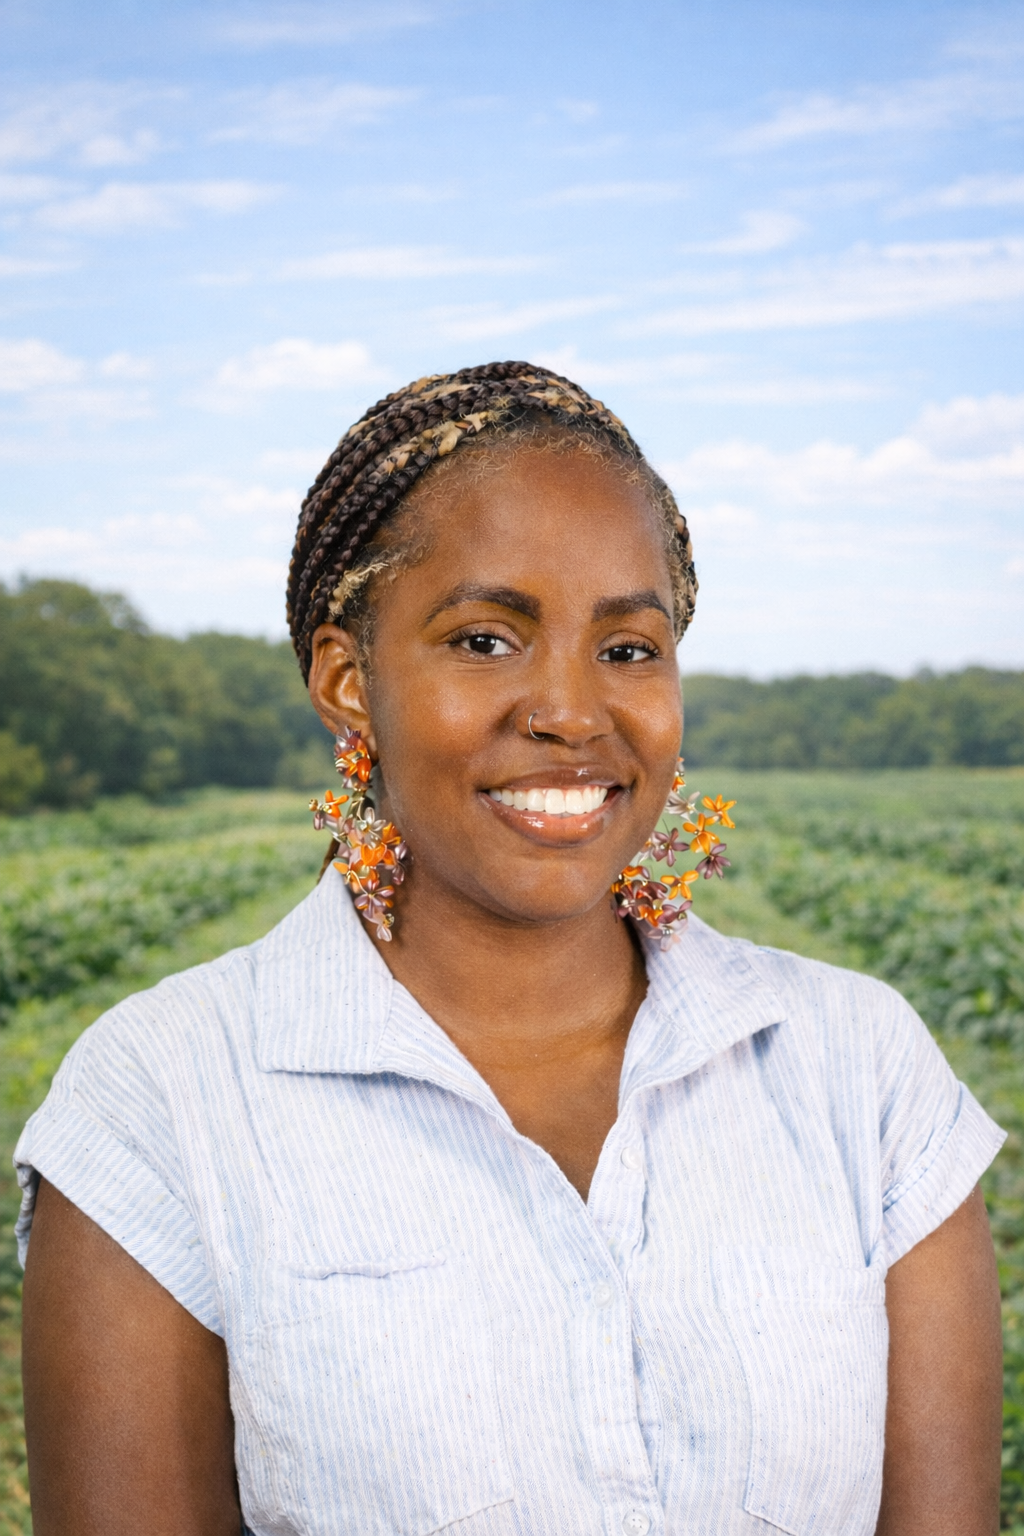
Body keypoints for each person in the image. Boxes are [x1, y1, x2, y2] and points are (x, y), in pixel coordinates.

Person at [17, 361, 1005, 1536]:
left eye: (627, 648)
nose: (571, 712)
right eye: (485, 639)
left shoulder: (862, 1069)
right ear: (347, 682)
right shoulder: (160, 1101)